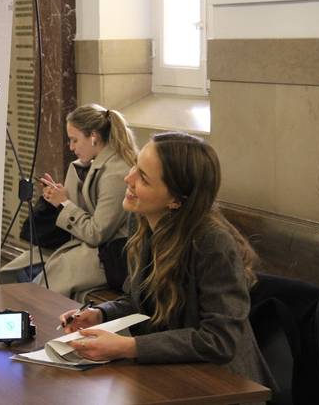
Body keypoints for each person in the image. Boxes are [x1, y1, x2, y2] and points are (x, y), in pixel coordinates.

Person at [59, 132, 276, 393]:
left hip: (225, 385)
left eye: (144, 178)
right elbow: (139, 300)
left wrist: (129, 347)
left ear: (175, 200)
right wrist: (99, 314)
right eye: (135, 167)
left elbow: (220, 340)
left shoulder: (212, 241)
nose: (128, 179)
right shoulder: (142, 219)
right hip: (172, 372)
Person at [2, 104, 138, 301]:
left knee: (38, 290)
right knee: (13, 274)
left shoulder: (116, 172)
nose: (71, 147)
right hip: (85, 249)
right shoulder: (92, 165)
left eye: (74, 140)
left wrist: (64, 203)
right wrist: (58, 197)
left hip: (106, 257)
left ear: (94, 137)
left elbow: (97, 233)